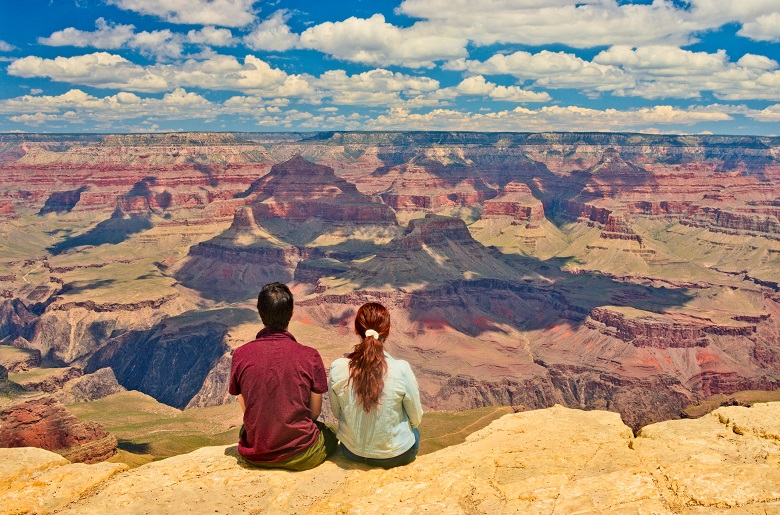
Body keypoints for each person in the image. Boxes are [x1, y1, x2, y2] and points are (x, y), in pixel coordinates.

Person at [229, 282, 337, 471]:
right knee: (332, 433)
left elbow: (247, 409)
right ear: (291, 312)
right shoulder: (310, 356)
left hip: (256, 454)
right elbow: (314, 413)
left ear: (260, 312)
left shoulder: (241, 354)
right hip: (302, 454)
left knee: (244, 431)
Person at [328, 302, 423, 468]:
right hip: (394, 456)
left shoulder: (338, 367)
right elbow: (416, 418)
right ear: (388, 331)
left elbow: (337, 413)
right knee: (415, 433)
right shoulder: (401, 369)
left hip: (351, 452)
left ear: (357, 330)